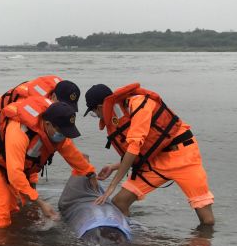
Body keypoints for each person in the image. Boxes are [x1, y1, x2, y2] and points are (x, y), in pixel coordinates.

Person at [84, 82, 215, 225]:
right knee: (119, 202)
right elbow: (145, 149)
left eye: (94, 113)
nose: (97, 116)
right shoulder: (118, 113)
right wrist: (113, 166)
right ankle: (130, 239)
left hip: (183, 155)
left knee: (206, 219)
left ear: (100, 107)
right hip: (155, 161)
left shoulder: (139, 103)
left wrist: (111, 186)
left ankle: (201, 245)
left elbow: (134, 147)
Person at [0, 97, 97, 228]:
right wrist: (40, 203)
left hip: (6, 157)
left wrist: (90, 173)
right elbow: (15, 175)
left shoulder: (57, 132)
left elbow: (72, 154)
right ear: (47, 124)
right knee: (0, 207)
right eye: (62, 132)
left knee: (14, 206)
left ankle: (13, 241)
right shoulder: (19, 133)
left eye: (66, 132)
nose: (63, 135)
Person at [0, 75, 81, 116]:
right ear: (53, 97)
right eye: (64, 105)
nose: (66, 109)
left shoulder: (61, 87)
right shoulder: (30, 104)